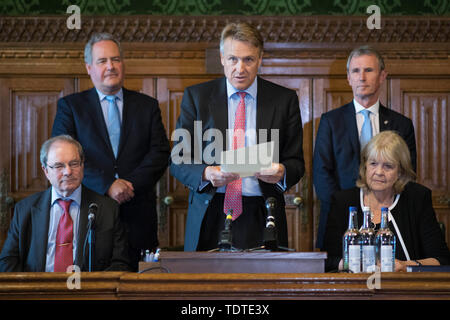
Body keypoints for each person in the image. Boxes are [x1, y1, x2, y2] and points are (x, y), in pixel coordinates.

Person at [170, 22, 305, 251]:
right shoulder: (197, 97)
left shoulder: (284, 100)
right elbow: (179, 158)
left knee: (263, 286)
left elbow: (296, 162)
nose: (240, 68)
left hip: (262, 211)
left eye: (248, 60)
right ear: (222, 58)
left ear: (260, 59)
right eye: (233, 59)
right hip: (211, 208)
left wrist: (282, 172)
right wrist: (205, 173)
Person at [51, 33, 170, 271]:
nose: (110, 66)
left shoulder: (146, 106)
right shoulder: (71, 107)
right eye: (102, 61)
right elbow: (63, 155)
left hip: (138, 215)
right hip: (89, 214)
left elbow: (160, 153)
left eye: (115, 60)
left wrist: (128, 185)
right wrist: (108, 185)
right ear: (89, 67)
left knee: (139, 285)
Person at [313, 45, 417, 249]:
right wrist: (347, 209)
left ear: (382, 76)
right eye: (355, 71)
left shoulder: (401, 124)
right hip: (341, 219)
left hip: (389, 217)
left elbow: (407, 172)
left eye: (368, 70)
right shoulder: (330, 121)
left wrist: (383, 208)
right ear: (348, 78)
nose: (362, 77)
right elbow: (321, 173)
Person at [323, 131, 450, 272]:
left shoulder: (417, 199)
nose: (378, 172)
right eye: (373, 163)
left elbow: (441, 259)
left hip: (404, 289)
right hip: (355, 288)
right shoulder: (343, 201)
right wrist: (351, 265)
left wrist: (405, 266)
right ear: (365, 166)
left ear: (401, 171)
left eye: (388, 166)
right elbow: (327, 260)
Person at [0, 135, 131, 272]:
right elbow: (8, 261)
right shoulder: (25, 209)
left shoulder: (108, 209)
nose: (68, 171)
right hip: (38, 290)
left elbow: (120, 263)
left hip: (88, 291)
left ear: (82, 165)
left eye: (74, 164)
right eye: (59, 166)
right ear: (46, 170)